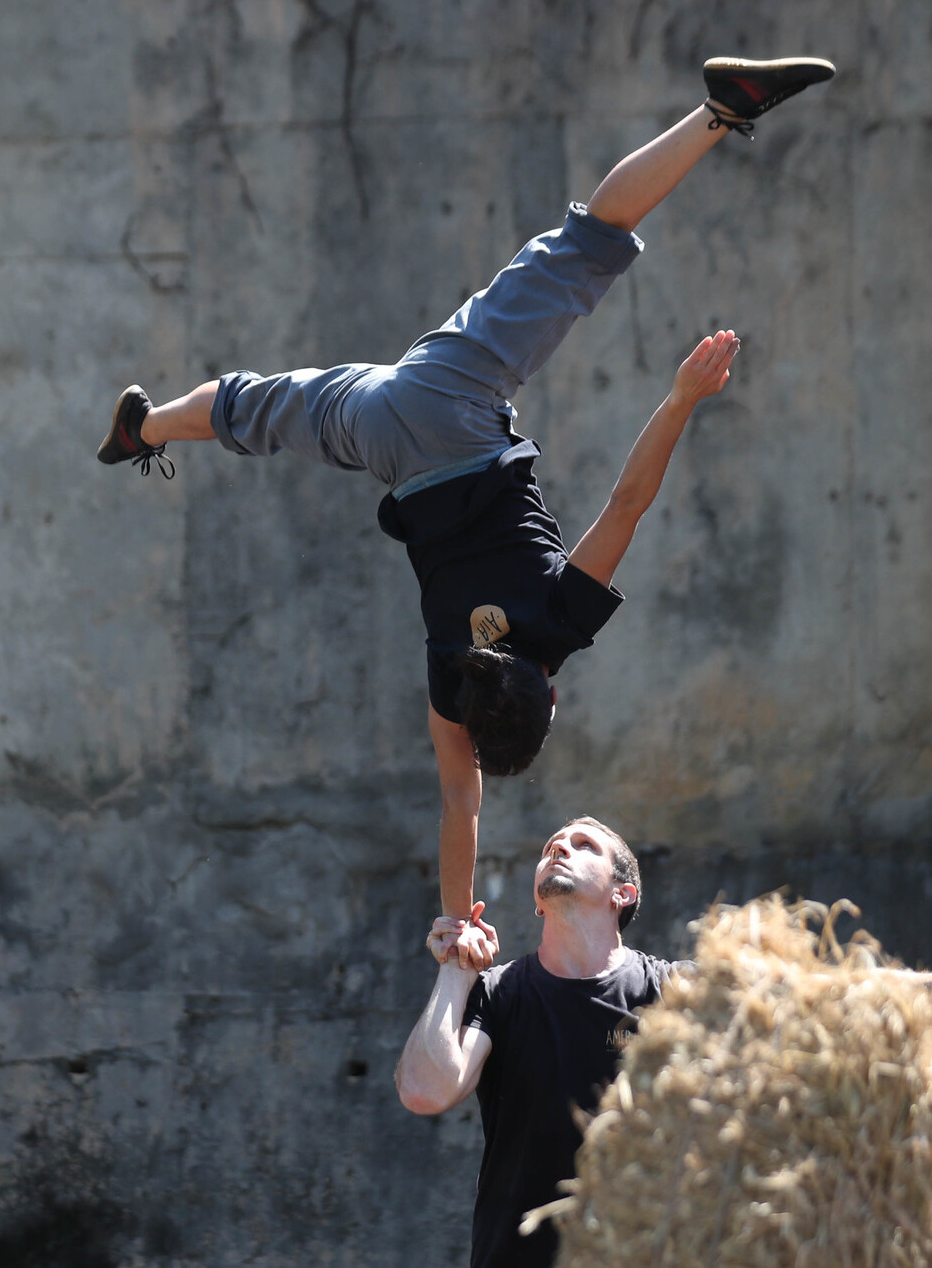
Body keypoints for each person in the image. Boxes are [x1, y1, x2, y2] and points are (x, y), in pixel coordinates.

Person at [96, 57, 835, 964]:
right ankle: (147, 428)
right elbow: (459, 805)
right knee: (261, 407)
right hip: (388, 443)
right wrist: (458, 921)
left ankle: (721, 111)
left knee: (591, 240)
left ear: (551, 695)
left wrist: (682, 397)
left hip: (455, 400)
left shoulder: (561, 624)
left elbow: (630, 501)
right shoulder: (456, 684)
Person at [396, 816, 686, 1268]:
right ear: (537, 901)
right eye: (552, 845)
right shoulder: (497, 992)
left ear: (621, 894)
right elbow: (424, 1090)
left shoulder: (673, 989)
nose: (560, 848)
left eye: (584, 844)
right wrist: (457, 968)